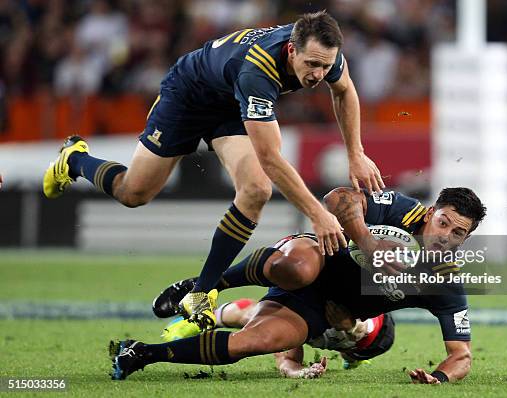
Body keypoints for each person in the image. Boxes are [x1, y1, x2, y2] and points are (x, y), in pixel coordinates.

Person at [42, 11, 384, 329]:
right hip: (189, 97)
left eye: (324, 67)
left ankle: (200, 294)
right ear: (292, 50)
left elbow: (344, 91)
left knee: (256, 191)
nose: (317, 75)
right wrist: (317, 214)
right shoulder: (258, 70)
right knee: (134, 193)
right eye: (311, 65)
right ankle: (73, 158)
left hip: (232, 105)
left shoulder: (327, 54)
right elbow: (270, 159)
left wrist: (356, 153)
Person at [109, 186, 486, 384]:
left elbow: (461, 356)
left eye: (458, 233)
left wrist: (437, 378)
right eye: (443, 222)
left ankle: (141, 354)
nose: (446, 236)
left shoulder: (444, 281)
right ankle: (207, 284)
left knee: (254, 342)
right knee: (299, 268)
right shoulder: (401, 209)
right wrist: (369, 245)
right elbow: (337, 198)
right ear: (432, 211)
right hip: (311, 254)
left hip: (314, 310)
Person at [159, 297, 395, 378]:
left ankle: (355, 357)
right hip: (302, 298)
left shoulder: (359, 334)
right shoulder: (357, 322)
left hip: (339, 329)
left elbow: (288, 362)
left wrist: (299, 371)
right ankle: (198, 318)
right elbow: (363, 327)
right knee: (255, 317)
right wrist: (353, 327)